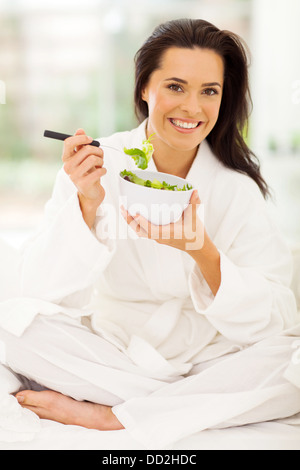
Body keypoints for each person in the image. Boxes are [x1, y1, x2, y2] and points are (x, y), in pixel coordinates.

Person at [0, 18, 299, 449]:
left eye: (209, 91)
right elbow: (43, 290)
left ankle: (114, 418)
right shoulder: (95, 165)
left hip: (208, 361)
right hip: (110, 353)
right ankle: (181, 408)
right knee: (11, 323)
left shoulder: (236, 188)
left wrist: (202, 252)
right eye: (175, 87)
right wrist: (87, 203)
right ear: (144, 88)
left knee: (290, 362)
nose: (192, 108)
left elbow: (277, 319)